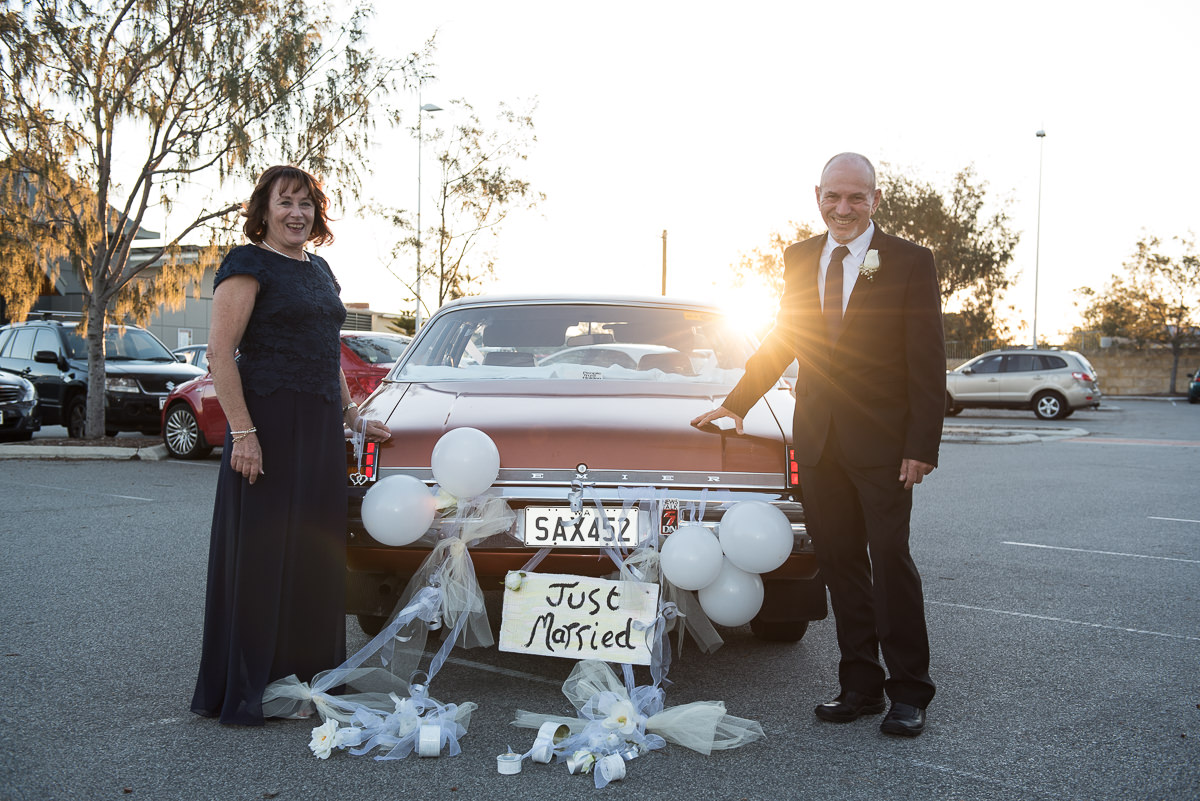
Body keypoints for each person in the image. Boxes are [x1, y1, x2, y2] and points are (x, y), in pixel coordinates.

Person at [692, 153, 945, 737]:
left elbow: (927, 361)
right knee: (839, 566)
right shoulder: (801, 257)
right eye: (834, 196)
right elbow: (786, 336)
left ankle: (910, 690)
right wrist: (737, 403)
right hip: (820, 441)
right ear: (818, 196)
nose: (844, 208)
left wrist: (921, 444)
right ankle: (860, 685)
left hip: (885, 447)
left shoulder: (911, 262)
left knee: (890, 564)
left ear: (875, 200)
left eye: (856, 197)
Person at [191, 165, 392, 725]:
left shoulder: (321, 269)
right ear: (266, 209)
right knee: (263, 554)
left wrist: (352, 417)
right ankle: (251, 685)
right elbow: (220, 354)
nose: (297, 213)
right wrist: (244, 434)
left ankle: (307, 680)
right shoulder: (248, 264)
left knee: (313, 553)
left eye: (306, 204)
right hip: (268, 426)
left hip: (320, 428)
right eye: (286, 203)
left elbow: (326, 352)